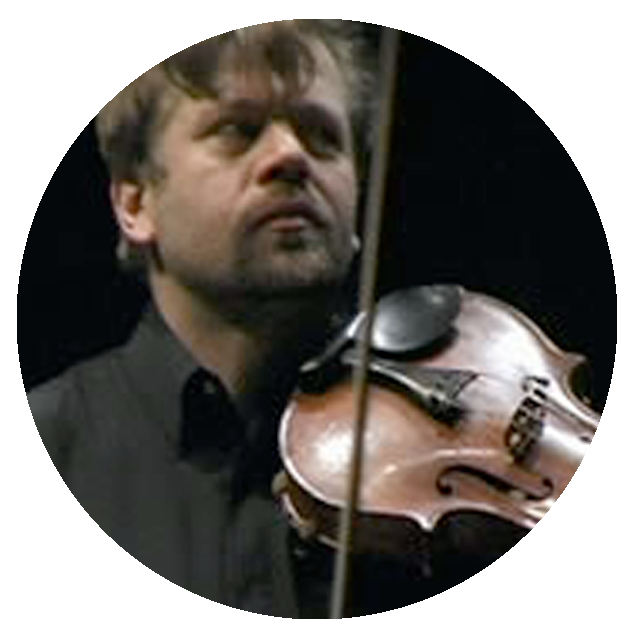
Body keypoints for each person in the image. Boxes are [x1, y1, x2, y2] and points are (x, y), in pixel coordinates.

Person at [18, 20, 610, 619]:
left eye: (323, 136)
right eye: (238, 130)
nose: (291, 156)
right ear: (135, 202)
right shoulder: (29, 466)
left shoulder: (477, 502)